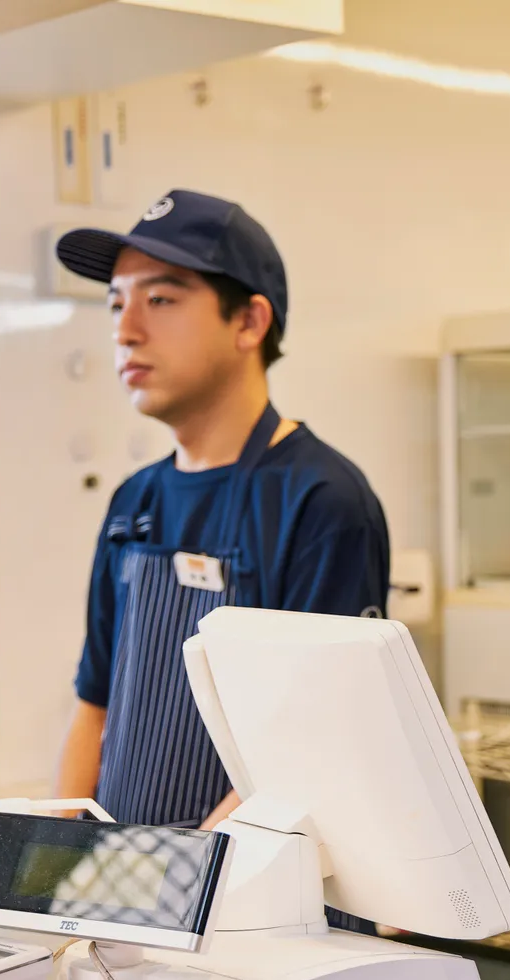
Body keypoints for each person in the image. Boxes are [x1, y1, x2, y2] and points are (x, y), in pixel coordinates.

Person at [53, 189, 390, 844]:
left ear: (249, 322)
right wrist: (51, 868)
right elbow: (94, 707)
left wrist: (181, 885)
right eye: (116, 301)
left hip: (266, 908)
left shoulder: (322, 500)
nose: (126, 329)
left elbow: (307, 746)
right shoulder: (135, 502)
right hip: (136, 898)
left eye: (161, 299)